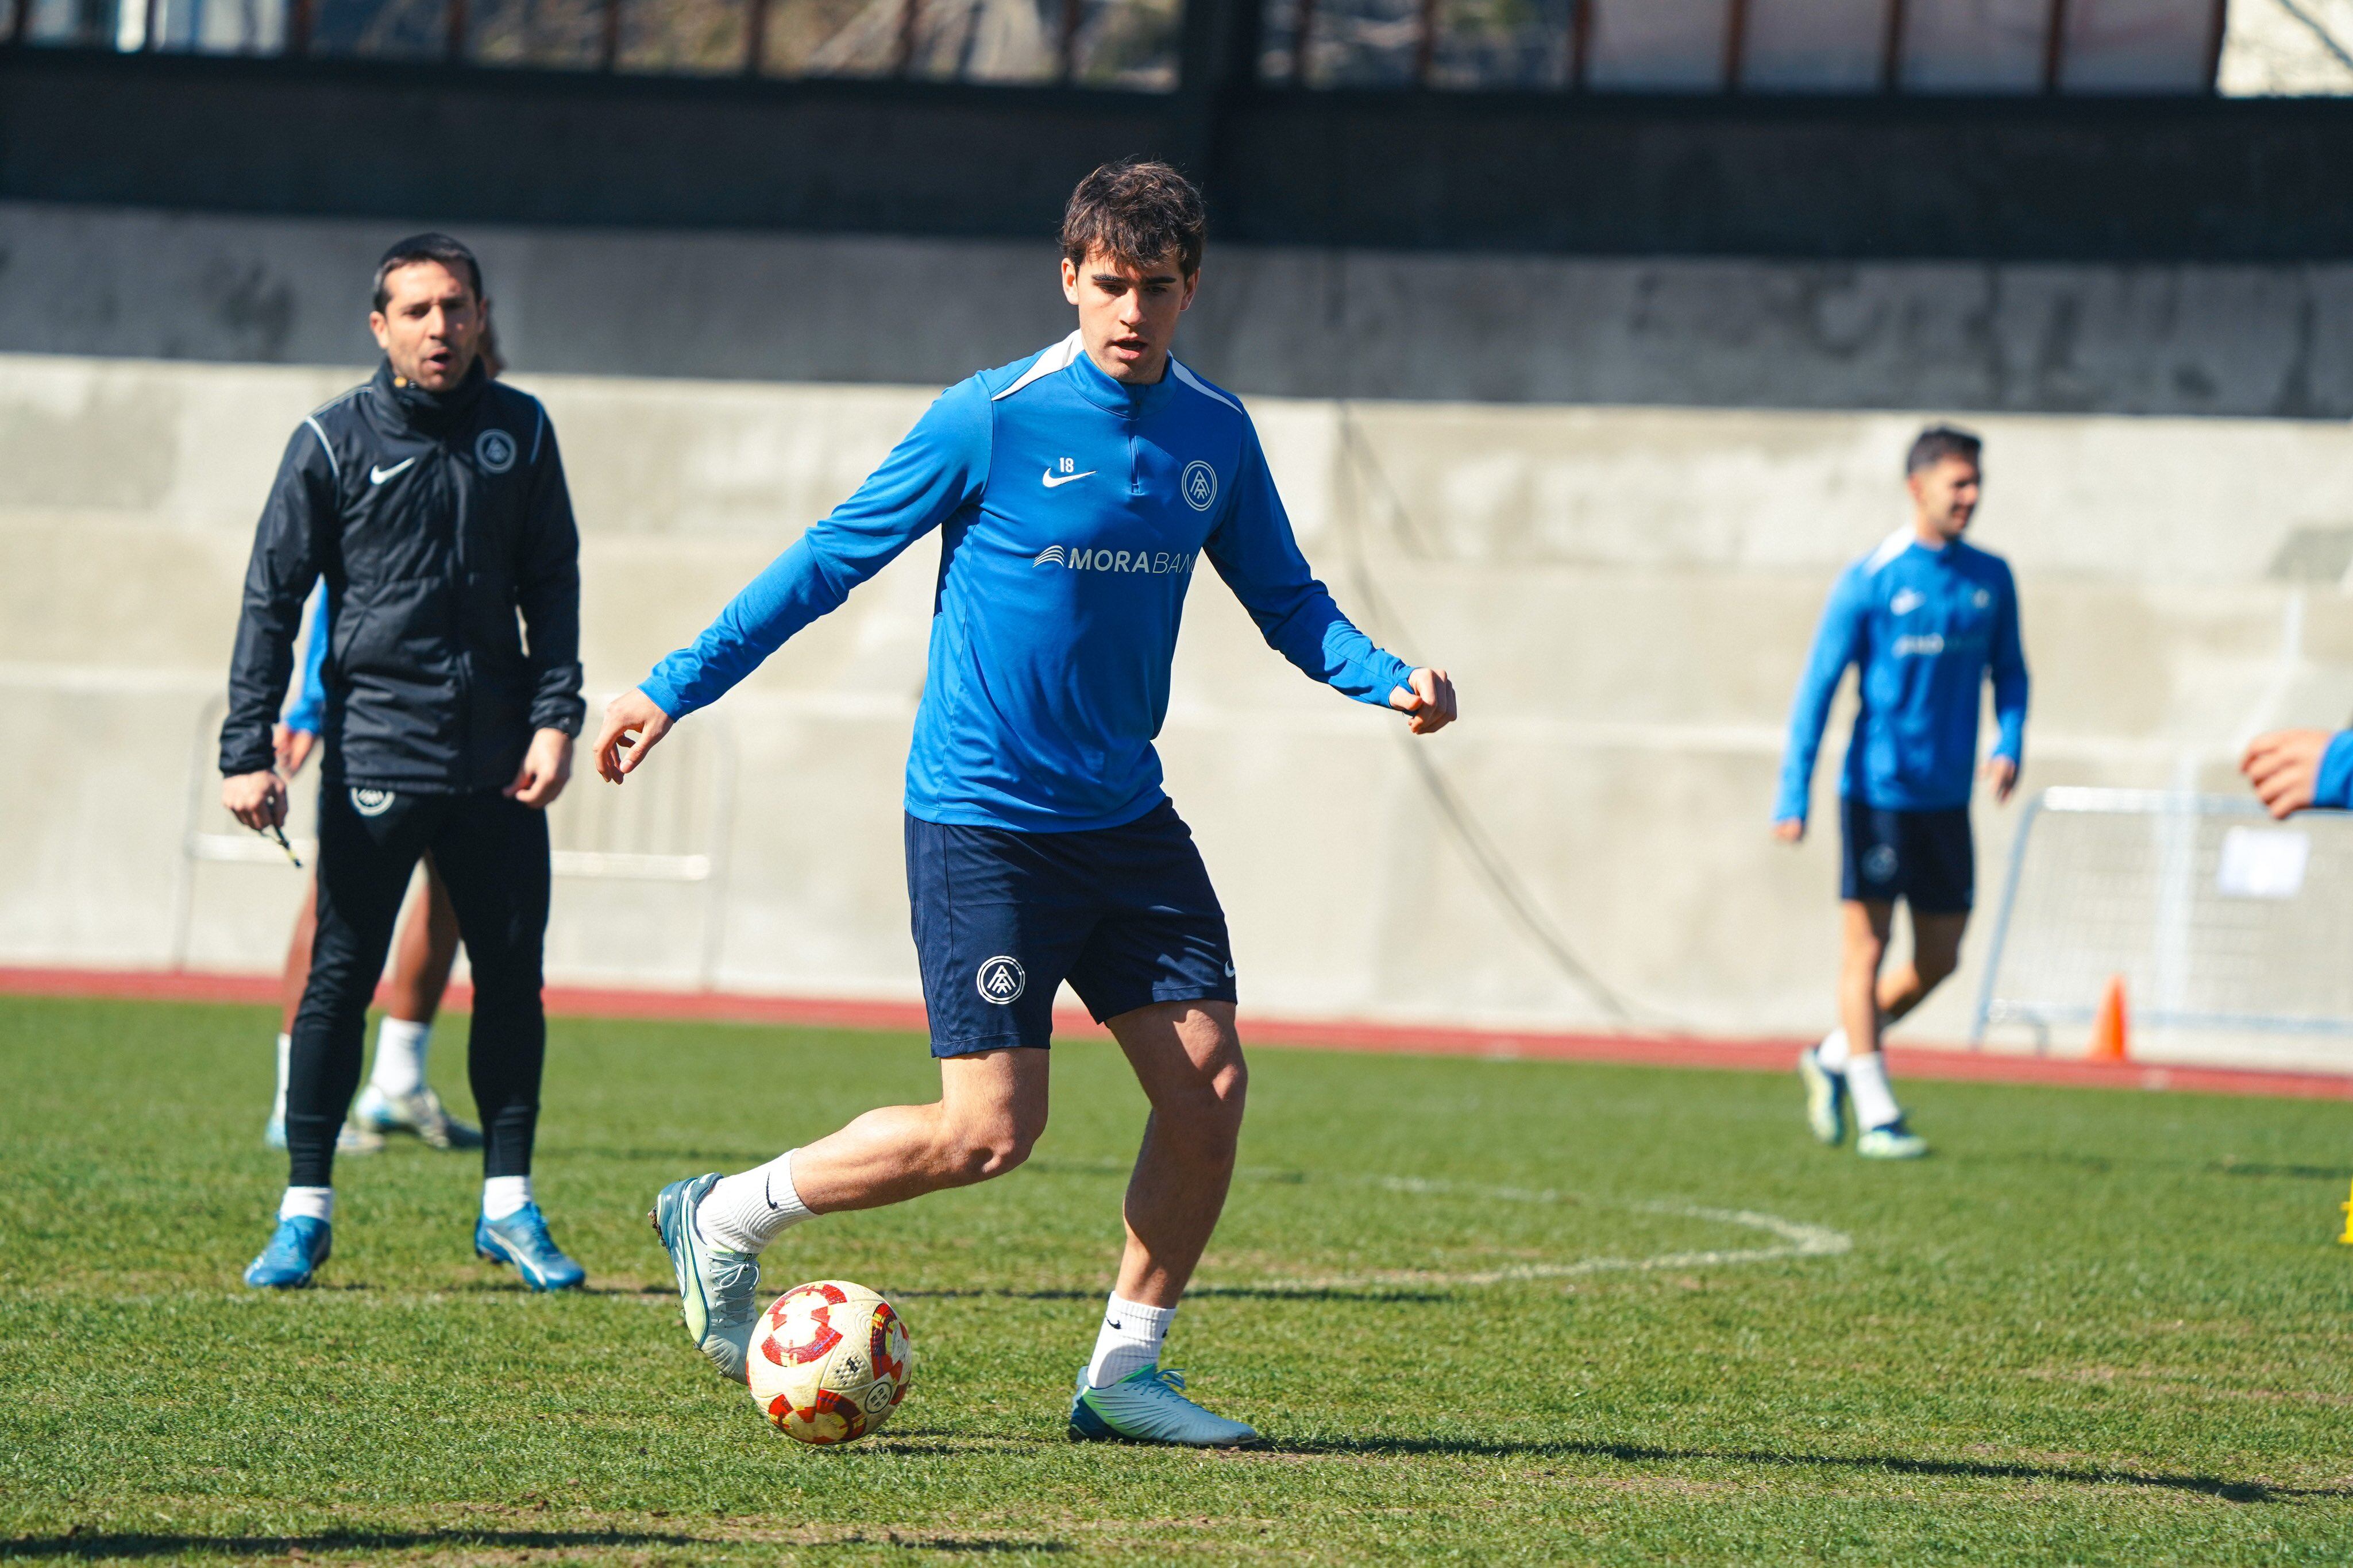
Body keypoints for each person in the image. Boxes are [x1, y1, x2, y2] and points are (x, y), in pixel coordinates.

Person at [594, 160, 1457, 1446]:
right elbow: (830, 559)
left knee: (1208, 1087)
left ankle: (1122, 1375)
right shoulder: (989, 417)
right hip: (984, 821)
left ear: (1189, 289)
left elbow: (1286, 602)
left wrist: (1388, 679)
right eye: (1108, 284)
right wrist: (671, 688)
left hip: (1123, 821)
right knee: (988, 1135)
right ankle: (726, 1212)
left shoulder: (1213, 435)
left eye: (1154, 288)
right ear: (1068, 278)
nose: (1129, 310)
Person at [220, 233, 587, 1291]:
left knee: (513, 983)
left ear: (480, 317)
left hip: (500, 761)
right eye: (418, 311)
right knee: (341, 977)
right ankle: (304, 1211)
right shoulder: (330, 442)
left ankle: (509, 1207)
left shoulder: (522, 431)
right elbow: (271, 599)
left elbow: (552, 585)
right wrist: (248, 748)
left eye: (457, 308)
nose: (441, 328)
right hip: (379, 749)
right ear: (380, 328)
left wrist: (555, 717)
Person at [1772, 426, 2028, 1161]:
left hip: (1947, 801)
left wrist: (2008, 741)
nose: (1971, 497)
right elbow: (1817, 690)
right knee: (1868, 948)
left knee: (1941, 959)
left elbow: (2009, 672)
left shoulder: (1991, 578)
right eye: (1958, 484)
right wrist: (1792, 794)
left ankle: (1832, 1056)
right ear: (1918, 488)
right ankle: (1878, 1111)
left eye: (1976, 483)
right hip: (1876, 795)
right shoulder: (1871, 579)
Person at [263, 586, 476, 1156]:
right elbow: (344, 575)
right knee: (337, 895)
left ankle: (397, 1082)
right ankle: (294, 1101)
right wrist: (309, 704)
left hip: (464, 712)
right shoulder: (383, 492)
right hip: (377, 712)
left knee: (458, 884)